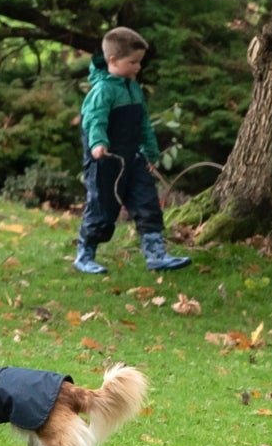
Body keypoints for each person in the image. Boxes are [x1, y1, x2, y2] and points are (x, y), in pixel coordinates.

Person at [79, 27, 189, 275]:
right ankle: (85, 254)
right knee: (102, 208)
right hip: (105, 161)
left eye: (139, 62)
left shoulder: (133, 88)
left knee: (147, 202)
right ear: (113, 61)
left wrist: (150, 153)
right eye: (133, 62)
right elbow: (94, 120)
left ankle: (156, 255)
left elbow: (143, 123)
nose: (138, 67)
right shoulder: (102, 91)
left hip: (133, 158)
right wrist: (97, 144)